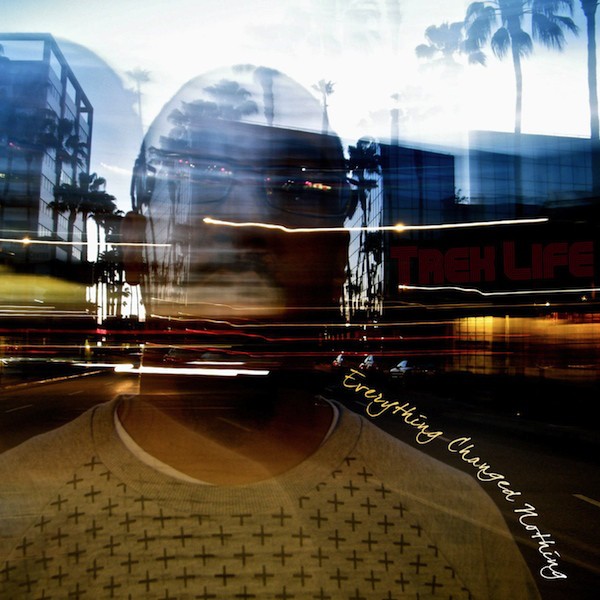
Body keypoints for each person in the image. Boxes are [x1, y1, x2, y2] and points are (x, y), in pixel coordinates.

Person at [0, 65, 540, 599]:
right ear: (135, 247)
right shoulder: (13, 515)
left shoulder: (458, 528)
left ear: (336, 256)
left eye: (299, 186)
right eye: (199, 177)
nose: (245, 221)